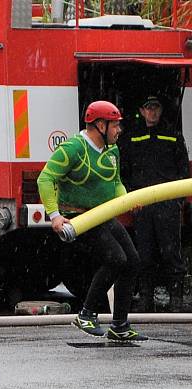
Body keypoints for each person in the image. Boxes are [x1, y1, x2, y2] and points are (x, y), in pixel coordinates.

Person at [37, 100, 146, 341]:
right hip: (80, 218)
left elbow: (115, 183)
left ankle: (119, 325)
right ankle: (86, 314)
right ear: (99, 125)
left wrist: (127, 199)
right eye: (115, 125)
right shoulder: (73, 148)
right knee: (115, 259)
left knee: (133, 262)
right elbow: (45, 179)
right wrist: (54, 216)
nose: (119, 130)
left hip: (104, 214)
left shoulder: (112, 150)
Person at [118, 95, 189, 312]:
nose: (153, 112)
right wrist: (130, 195)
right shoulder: (132, 137)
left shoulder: (173, 135)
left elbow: (183, 169)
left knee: (171, 253)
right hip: (142, 204)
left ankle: (175, 299)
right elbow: (124, 169)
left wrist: (177, 201)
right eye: (149, 108)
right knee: (144, 253)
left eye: (156, 107)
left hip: (167, 205)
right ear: (142, 110)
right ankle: (146, 298)